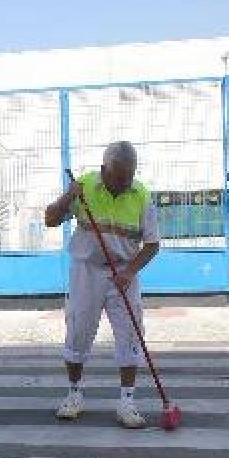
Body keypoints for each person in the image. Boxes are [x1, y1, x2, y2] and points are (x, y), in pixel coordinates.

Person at [44, 141, 160, 429]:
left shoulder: (141, 195)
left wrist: (130, 271)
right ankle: (74, 394)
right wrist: (66, 198)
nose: (124, 183)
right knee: (79, 330)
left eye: (129, 176)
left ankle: (127, 401)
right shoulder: (83, 187)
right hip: (87, 270)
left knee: (131, 335)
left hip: (123, 272)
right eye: (119, 177)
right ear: (104, 170)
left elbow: (152, 244)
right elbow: (50, 219)